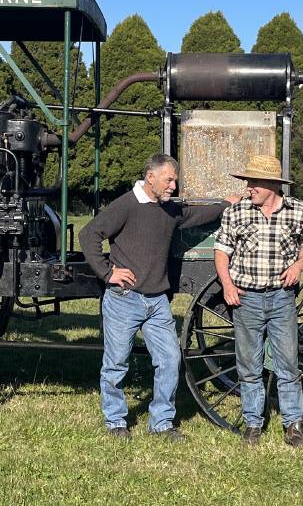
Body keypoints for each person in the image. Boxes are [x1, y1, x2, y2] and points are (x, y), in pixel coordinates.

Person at [80, 153, 236, 441]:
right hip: (124, 299)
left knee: (170, 359)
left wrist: (226, 205)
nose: (173, 186)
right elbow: (89, 233)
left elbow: (195, 215)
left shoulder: (169, 210)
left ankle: (161, 423)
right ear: (150, 177)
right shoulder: (127, 205)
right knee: (116, 363)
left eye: (175, 180)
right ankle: (116, 422)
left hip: (157, 302)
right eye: (169, 180)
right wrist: (107, 272)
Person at [213, 154, 303, 449]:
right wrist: (227, 285)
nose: (248, 188)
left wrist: (298, 266)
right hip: (246, 299)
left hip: (281, 298)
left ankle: (293, 426)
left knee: (287, 363)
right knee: (249, 366)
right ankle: (252, 424)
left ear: (272, 184)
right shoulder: (236, 214)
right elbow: (221, 252)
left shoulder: (299, 212)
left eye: (253, 182)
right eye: (247, 182)